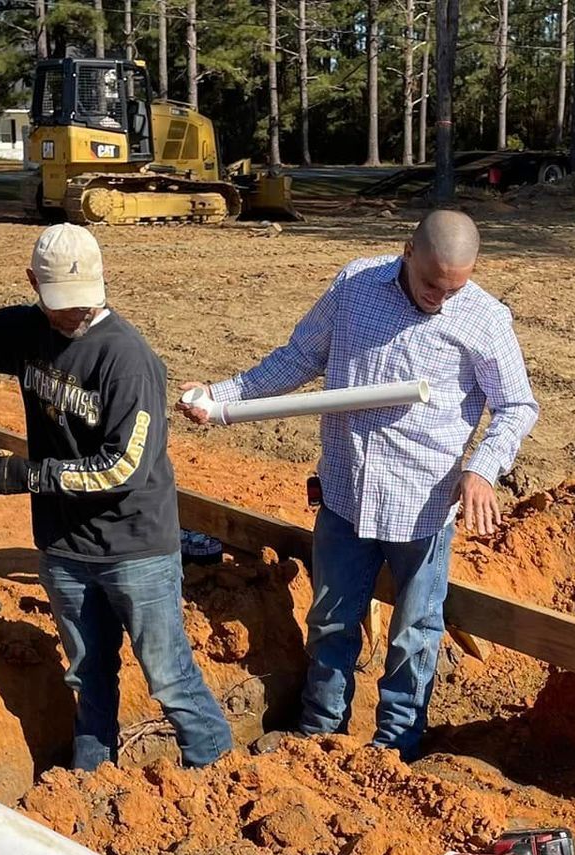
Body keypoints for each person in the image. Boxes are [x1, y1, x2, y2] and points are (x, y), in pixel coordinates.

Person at [180, 209, 538, 759]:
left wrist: (482, 469)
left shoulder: (484, 319)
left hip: (421, 508)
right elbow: (300, 358)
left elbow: (516, 406)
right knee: (330, 620)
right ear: (407, 251)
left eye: (453, 288)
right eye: (431, 284)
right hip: (346, 497)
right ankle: (319, 732)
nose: (440, 299)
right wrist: (222, 397)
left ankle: (396, 748)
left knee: (415, 632)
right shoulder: (354, 287)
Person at [0, 224, 233, 771]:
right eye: (59, 304)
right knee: (87, 673)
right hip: (65, 547)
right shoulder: (28, 330)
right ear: (33, 285)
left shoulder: (127, 360)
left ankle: (214, 772)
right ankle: (90, 779)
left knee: (169, 676)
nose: (73, 315)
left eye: (81, 302)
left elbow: (122, 469)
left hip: (134, 547)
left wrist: (26, 476)